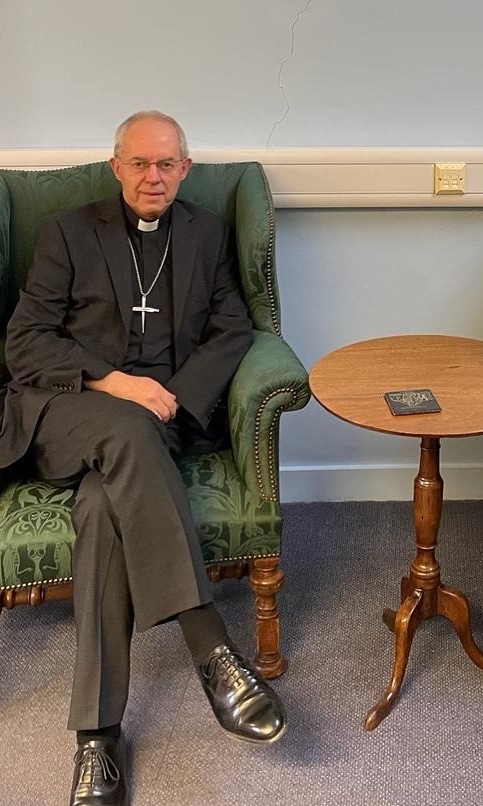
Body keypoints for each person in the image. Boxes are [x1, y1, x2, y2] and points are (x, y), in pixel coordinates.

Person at [0, 111, 286, 806]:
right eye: (139, 163)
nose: (152, 177)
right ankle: (211, 645)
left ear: (184, 169)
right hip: (68, 415)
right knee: (122, 431)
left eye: (166, 164)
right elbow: (25, 341)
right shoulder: (67, 233)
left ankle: (96, 739)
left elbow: (232, 331)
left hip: (163, 423)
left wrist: (173, 399)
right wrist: (117, 384)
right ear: (116, 166)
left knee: (104, 505)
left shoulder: (207, 233)